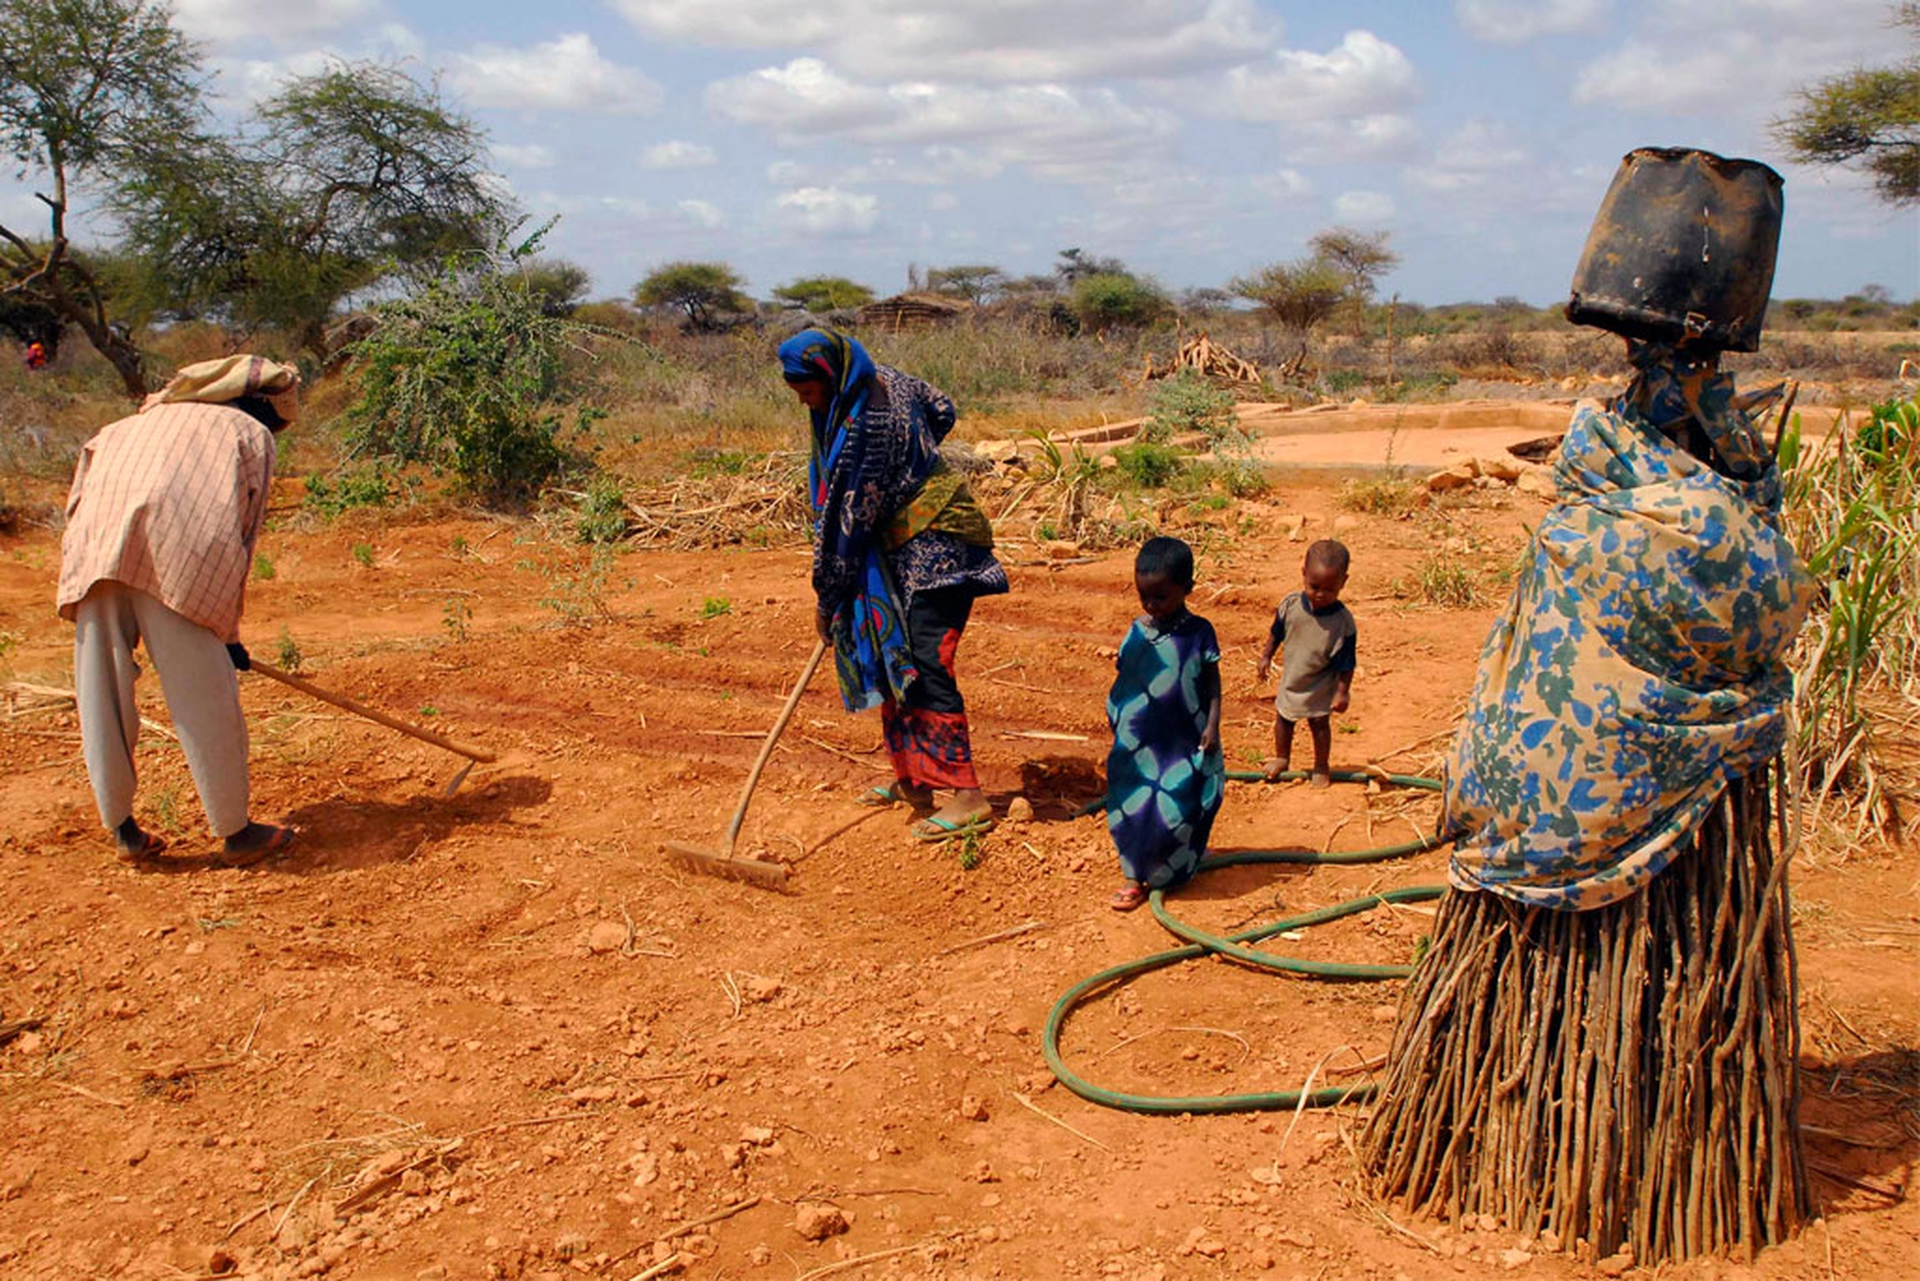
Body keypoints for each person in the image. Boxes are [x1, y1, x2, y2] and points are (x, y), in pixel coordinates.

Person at [57, 355, 302, 866]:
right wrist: (227, 634)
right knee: (204, 693)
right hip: (179, 558)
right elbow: (243, 531)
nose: (276, 428)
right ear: (258, 406)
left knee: (100, 690)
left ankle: (123, 831)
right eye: (277, 419)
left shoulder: (122, 427)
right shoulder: (246, 433)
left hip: (95, 552)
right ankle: (237, 832)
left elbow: (77, 501)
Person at [778, 329, 1008, 841]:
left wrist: (828, 599)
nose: (803, 402)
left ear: (830, 377)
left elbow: (848, 522)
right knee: (892, 655)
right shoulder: (888, 382)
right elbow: (941, 408)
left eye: (807, 392)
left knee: (926, 661)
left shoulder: (864, 425)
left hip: (939, 546)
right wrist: (916, 462)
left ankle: (966, 796)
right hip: (909, 541)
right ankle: (915, 781)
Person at [1104, 537, 1224, 912]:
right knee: (1133, 803)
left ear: (1187, 589)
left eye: (1161, 598)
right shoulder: (1137, 631)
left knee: (1181, 801)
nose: (1151, 606)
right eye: (1144, 597)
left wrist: (1213, 725)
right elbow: (1126, 676)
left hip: (1182, 737)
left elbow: (1212, 682)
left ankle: (1172, 870)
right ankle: (1132, 875)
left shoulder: (1199, 632)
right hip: (1140, 740)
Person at [1257, 539, 1356, 788]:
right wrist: (1266, 656)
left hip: (1321, 682)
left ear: (1343, 582)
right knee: (1284, 719)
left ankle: (1321, 765)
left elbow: (1346, 662)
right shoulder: (1290, 606)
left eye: (1330, 589)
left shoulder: (1343, 622)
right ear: (1303, 574)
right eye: (1314, 586)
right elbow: (1276, 633)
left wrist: (1342, 692)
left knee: (1319, 723)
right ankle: (1282, 757)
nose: (1321, 594)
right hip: (1293, 677)